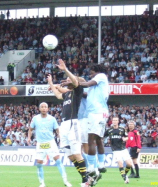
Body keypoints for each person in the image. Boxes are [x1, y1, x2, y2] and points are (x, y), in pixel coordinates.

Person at [47, 59, 91, 187]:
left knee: (77, 153)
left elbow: (75, 82)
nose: (67, 81)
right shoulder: (66, 95)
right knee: (71, 156)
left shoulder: (77, 92)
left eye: (69, 80)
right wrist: (51, 83)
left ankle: (85, 181)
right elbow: (57, 94)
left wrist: (65, 69)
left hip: (73, 124)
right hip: (64, 125)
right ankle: (87, 177)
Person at [76, 64, 109, 185]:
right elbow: (85, 94)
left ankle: (90, 166)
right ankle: (100, 165)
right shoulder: (96, 88)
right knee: (99, 139)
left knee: (91, 139)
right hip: (99, 112)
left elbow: (87, 83)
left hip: (97, 112)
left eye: (91, 73)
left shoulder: (101, 76)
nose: (90, 75)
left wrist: (76, 83)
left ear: (97, 71)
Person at [27, 102, 72, 187]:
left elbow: (57, 130)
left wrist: (61, 139)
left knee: (58, 160)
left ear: (48, 109)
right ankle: (42, 183)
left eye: (45, 107)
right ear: (39, 109)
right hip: (40, 144)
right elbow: (30, 129)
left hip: (51, 143)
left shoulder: (52, 119)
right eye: (42, 107)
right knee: (39, 163)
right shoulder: (35, 118)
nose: (44, 108)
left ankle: (66, 181)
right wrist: (29, 138)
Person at [104, 116, 131, 184]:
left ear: (118, 121)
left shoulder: (122, 129)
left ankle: (124, 174)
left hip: (123, 149)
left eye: (116, 120)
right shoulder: (109, 130)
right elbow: (103, 137)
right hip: (115, 150)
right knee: (120, 163)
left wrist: (125, 139)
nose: (115, 121)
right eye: (113, 120)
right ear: (112, 121)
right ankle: (125, 178)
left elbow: (127, 137)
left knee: (129, 164)